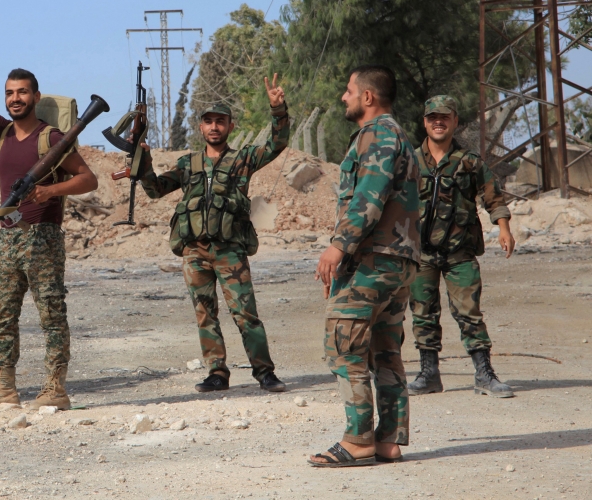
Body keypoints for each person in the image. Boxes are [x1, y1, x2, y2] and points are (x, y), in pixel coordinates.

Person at [0, 39, 99, 410]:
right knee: (1, 314)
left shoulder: (52, 138)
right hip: (10, 236)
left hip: (42, 236)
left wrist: (50, 191)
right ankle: (3, 388)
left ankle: (55, 388)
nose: (15, 98)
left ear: (36, 96)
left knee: (50, 313)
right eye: (9, 93)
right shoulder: (1, 131)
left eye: (22, 92)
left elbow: (88, 180)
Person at [135, 75, 289, 394]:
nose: (214, 127)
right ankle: (217, 372)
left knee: (246, 313)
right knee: (205, 314)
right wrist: (143, 160)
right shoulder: (188, 164)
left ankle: (264, 373)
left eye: (220, 121)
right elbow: (154, 190)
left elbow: (277, 144)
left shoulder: (243, 160)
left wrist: (278, 109)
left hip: (230, 251)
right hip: (195, 252)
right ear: (201, 128)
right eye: (209, 122)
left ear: (230, 126)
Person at [310, 65, 420, 467]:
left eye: (349, 90)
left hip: (374, 259)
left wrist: (338, 248)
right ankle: (388, 440)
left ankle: (357, 440)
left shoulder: (379, 133)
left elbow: (368, 196)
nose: (344, 97)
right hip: (396, 260)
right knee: (385, 349)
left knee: (343, 344)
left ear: (368, 97)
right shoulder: (396, 135)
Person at [407, 95, 515, 398]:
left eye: (445, 117)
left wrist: (503, 228)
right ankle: (429, 374)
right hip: (421, 254)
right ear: (425, 122)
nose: (438, 122)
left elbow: (493, 197)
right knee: (423, 313)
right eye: (432, 117)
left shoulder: (470, 162)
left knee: (469, 311)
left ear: (455, 121)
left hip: (460, 253)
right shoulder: (410, 162)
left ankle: (484, 374)